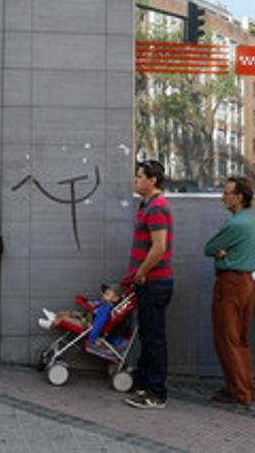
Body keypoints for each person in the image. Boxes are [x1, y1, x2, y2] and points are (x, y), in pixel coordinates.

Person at [203, 176, 255, 407]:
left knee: (226, 338)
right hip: (247, 282)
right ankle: (247, 387)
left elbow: (209, 248)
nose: (223, 197)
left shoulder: (235, 223)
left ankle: (238, 392)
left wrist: (222, 253)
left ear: (240, 197)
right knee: (241, 339)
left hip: (230, 283)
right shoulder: (252, 221)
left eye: (227, 193)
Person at [124, 160, 174, 410]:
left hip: (154, 282)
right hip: (148, 282)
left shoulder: (157, 207)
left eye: (140, 176)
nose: (136, 180)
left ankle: (157, 392)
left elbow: (159, 247)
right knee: (147, 334)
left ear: (152, 180)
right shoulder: (147, 204)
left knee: (154, 338)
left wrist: (142, 272)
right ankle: (143, 383)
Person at [38, 282, 126, 358]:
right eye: (104, 293)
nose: (103, 296)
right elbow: (93, 304)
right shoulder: (103, 304)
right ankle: (54, 317)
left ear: (115, 299)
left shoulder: (106, 308)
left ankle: (52, 323)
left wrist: (92, 339)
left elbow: (99, 324)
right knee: (69, 313)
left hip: (87, 325)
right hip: (86, 318)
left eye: (107, 294)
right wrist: (89, 303)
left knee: (64, 319)